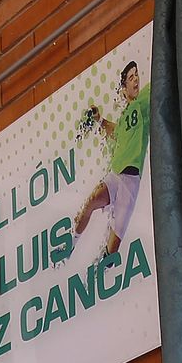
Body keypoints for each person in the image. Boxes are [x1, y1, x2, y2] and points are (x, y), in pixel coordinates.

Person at [74, 59, 150, 258]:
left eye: (137, 76)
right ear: (123, 88)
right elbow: (116, 133)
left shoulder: (143, 101)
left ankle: (103, 268)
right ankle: (70, 245)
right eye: (131, 78)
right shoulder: (125, 115)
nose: (136, 80)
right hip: (116, 174)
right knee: (91, 201)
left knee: (113, 246)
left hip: (131, 181)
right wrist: (99, 119)